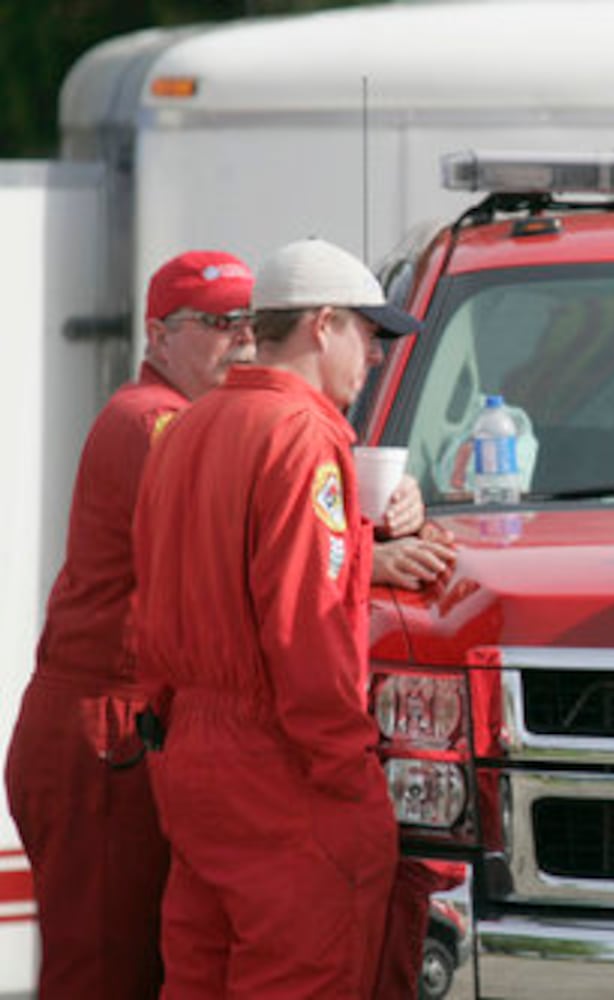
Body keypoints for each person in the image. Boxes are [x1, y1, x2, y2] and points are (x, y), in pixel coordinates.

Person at [132, 237, 421, 998]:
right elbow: (308, 626)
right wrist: (346, 770)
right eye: (371, 333)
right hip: (283, 765)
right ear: (323, 324)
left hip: (189, 754)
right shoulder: (302, 434)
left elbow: (151, 604)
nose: (379, 357)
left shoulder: (184, 428)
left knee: (198, 975)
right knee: (305, 971)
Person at [4, 250, 255, 999]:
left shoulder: (183, 420)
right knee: (104, 973)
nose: (241, 339)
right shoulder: (155, 422)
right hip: (104, 735)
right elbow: (246, 546)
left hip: (114, 731)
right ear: (157, 336)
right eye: (217, 323)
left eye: (251, 322)